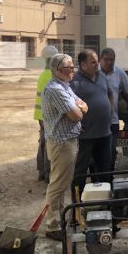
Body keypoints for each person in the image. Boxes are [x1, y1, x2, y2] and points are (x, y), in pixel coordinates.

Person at [41, 53, 88, 240]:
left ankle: (59, 220)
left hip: (67, 141)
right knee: (58, 185)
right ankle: (52, 225)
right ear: (59, 70)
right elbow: (76, 115)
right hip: (62, 144)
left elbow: (84, 106)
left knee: (61, 183)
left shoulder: (64, 86)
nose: (73, 70)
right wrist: (80, 108)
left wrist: (81, 107)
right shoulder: (55, 90)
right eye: (70, 68)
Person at [70, 49, 113, 195]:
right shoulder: (74, 82)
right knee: (80, 172)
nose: (97, 65)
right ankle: (77, 207)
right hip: (86, 136)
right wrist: (75, 125)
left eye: (97, 61)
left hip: (104, 133)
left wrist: (110, 111)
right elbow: (67, 107)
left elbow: (110, 94)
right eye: (93, 62)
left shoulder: (101, 77)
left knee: (104, 171)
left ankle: (104, 202)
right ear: (83, 65)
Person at [34, 45, 59, 182]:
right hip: (51, 117)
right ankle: (49, 174)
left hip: (42, 117)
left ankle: (41, 172)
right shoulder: (53, 76)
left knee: (43, 143)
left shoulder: (42, 75)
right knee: (51, 146)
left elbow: (39, 100)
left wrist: (40, 119)